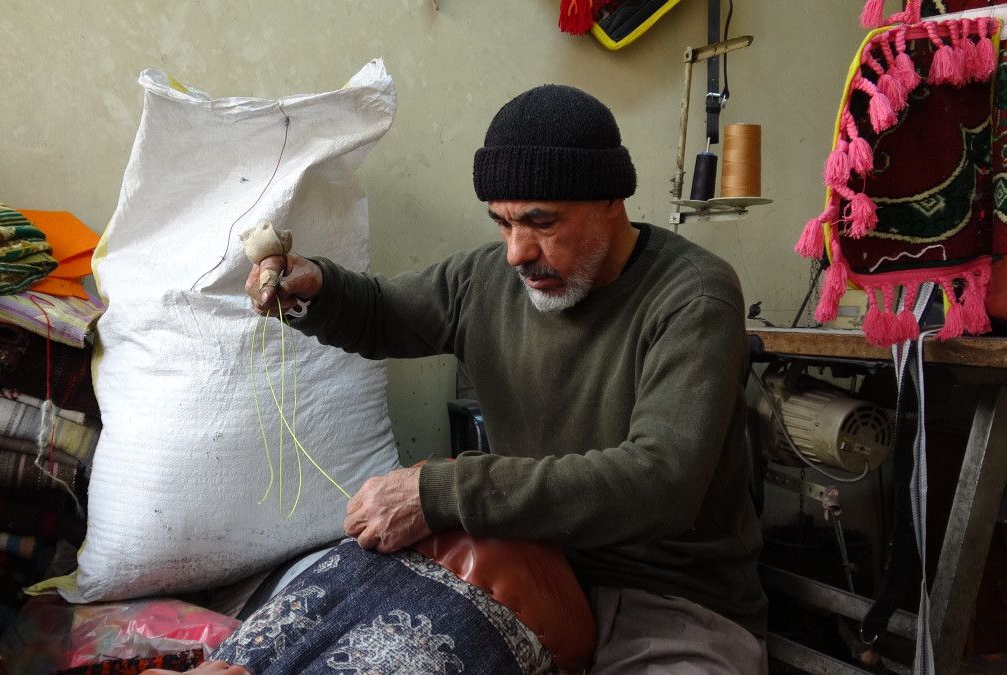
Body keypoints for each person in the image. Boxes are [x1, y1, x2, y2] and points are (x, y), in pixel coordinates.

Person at [242, 84, 768, 674]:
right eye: (502, 223)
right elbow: (384, 312)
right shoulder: (485, 279)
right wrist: (318, 289)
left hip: (668, 601)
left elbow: (659, 483)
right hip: (523, 569)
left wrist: (439, 492)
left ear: (612, 200)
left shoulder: (692, 297)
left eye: (541, 223)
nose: (517, 252)